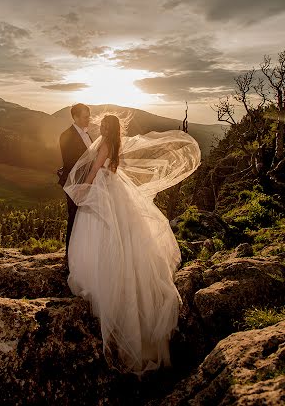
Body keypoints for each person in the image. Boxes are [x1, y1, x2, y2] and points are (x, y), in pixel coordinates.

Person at [63, 114, 201, 378]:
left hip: (104, 189)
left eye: (104, 126)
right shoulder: (116, 143)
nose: (101, 128)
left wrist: (84, 190)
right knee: (123, 233)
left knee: (104, 232)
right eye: (101, 125)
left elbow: (94, 170)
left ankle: (103, 277)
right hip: (115, 188)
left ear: (109, 128)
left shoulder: (104, 145)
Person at [58, 103, 93, 266]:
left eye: (89, 116)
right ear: (75, 117)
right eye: (85, 117)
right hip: (75, 183)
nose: (89, 119)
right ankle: (70, 257)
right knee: (74, 217)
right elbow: (71, 163)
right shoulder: (66, 136)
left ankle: (83, 253)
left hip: (87, 183)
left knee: (85, 218)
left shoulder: (87, 134)